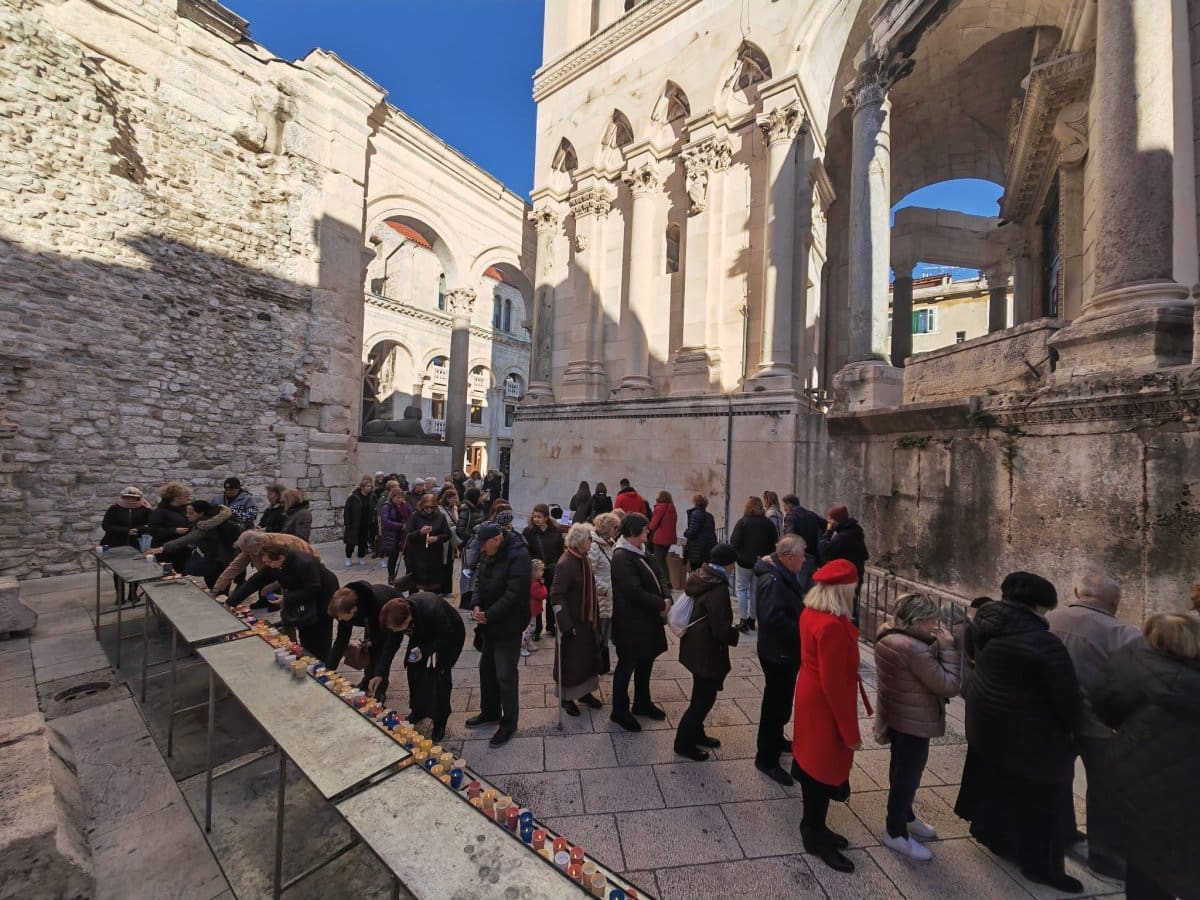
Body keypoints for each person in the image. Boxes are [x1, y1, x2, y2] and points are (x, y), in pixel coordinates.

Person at [954, 572, 1083, 893]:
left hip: (987, 720)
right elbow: (1067, 697)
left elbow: (972, 659)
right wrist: (1074, 732)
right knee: (1044, 799)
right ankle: (1041, 868)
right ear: (1039, 605)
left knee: (997, 781)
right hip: (1029, 733)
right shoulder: (1043, 643)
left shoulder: (983, 621)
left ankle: (994, 835)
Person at [1094, 612, 1200, 900]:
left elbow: (1104, 708)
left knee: (1143, 865)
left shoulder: (1127, 664)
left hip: (1132, 770)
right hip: (1187, 788)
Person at [1046, 574, 1145, 879]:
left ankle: (1061, 834)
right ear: (1115, 602)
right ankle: (1103, 857)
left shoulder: (1049, 619)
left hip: (1053, 719)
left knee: (1057, 779)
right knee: (1104, 790)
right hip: (1100, 725)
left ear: (1077, 591)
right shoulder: (1124, 633)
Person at [873, 592, 962, 861]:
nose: (934, 626)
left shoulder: (888, 633)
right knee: (907, 775)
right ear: (915, 621)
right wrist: (947, 648)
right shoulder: (914, 649)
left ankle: (906, 816)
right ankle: (895, 831)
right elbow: (949, 684)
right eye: (930, 621)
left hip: (898, 713)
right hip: (913, 720)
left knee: (901, 769)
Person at [791, 559, 863, 873]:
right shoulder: (832, 625)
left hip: (809, 692)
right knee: (821, 768)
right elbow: (834, 684)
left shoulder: (812, 612)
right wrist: (850, 733)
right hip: (824, 702)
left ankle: (816, 828)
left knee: (811, 761)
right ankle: (814, 833)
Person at [466, 523, 532, 747]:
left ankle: (509, 723)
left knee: (505, 674)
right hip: (489, 623)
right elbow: (479, 581)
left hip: (508, 624)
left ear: (496, 540)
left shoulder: (519, 556)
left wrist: (489, 614)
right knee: (486, 668)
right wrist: (475, 604)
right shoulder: (488, 552)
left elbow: (515, 594)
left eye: (484, 545)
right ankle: (490, 711)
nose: (482, 550)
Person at [752, 534, 808, 786]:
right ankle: (766, 758)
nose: (804, 560)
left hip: (783, 652)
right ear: (788, 557)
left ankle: (775, 740)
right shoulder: (774, 580)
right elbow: (772, 619)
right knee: (774, 705)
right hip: (778, 653)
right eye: (801, 556)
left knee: (781, 702)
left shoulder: (782, 573)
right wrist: (804, 627)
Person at [675, 543, 739, 760]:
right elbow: (720, 628)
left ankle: (696, 733)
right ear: (728, 564)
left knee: (700, 694)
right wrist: (734, 634)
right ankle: (683, 743)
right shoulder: (718, 587)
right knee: (703, 700)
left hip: (695, 646)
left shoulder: (702, 575)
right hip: (706, 650)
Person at [609, 513, 672, 732]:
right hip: (630, 622)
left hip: (647, 620)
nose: (648, 532)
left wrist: (667, 596)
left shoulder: (642, 551)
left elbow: (660, 575)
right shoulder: (622, 556)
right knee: (627, 665)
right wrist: (660, 605)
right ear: (634, 532)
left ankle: (642, 702)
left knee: (646, 661)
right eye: (645, 529)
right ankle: (619, 710)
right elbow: (633, 592)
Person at [228, 539, 337, 658]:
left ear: (281, 557)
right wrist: (230, 602)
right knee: (304, 626)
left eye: (269, 562)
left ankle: (324, 664)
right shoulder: (275, 563)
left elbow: (313, 589)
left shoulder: (303, 562)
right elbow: (254, 582)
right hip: (303, 594)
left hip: (323, 595)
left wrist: (286, 598)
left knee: (319, 630)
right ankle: (308, 657)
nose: (267, 565)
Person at [386, 592, 467, 742]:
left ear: (408, 619)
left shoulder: (432, 608)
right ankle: (418, 710)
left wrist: (425, 651)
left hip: (449, 636)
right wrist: (380, 672)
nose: (396, 632)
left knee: (439, 677)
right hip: (423, 635)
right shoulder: (397, 612)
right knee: (414, 671)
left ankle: (440, 721)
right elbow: (391, 643)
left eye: (398, 629)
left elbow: (446, 635)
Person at [550, 524, 604, 715]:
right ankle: (566, 698)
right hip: (573, 621)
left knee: (587, 660)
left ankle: (585, 693)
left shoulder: (583, 558)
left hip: (586, 620)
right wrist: (566, 625)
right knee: (570, 662)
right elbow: (556, 595)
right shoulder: (566, 563)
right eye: (588, 539)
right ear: (578, 542)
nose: (591, 541)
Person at [327, 580, 401, 701]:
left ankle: (379, 690)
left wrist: (379, 672)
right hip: (371, 621)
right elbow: (341, 640)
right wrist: (328, 670)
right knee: (369, 651)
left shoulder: (378, 605)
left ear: (353, 610)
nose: (339, 619)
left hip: (393, 616)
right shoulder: (345, 607)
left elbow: (389, 643)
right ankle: (367, 682)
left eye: (341, 617)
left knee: (380, 654)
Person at [148, 500, 240, 588]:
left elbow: (188, 538)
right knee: (216, 582)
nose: (187, 515)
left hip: (220, 559)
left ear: (201, 513)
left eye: (191, 513)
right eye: (187, 512)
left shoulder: (206, 525)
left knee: (217, 584)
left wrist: (162, 548)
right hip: (221, 557)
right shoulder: (213, 518)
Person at [210, 529, 317, 600]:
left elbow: (291, 572)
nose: (248, 554)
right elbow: (235, 566)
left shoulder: (281, 545)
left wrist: (274, 585)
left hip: (306, 572)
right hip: (282, 574)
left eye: (249, 552)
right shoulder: (251, 548)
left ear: (259, 544)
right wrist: (217, 589)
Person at [729, 496, 777, 633]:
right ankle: (752, 619)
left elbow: (734, 541)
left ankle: (743, 620)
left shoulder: (743, 522)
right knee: (755, 590)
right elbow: (775, 543)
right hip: (761, 562)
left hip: (743, 561)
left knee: (742, 589)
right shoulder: (768, 524)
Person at [818, 505, 869, 621]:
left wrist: (828, 532)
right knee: (849, 609)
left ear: (837, 520)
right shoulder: (854, 532)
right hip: (853, 578)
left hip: (845, 580)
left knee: (843, 612)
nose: (828, 521)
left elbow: (824, 550)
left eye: (830, 519)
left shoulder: (844, 536)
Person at [523, 504, 565, 641]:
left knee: (551, 598)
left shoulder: (556, 532)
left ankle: (551, 626)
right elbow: (526, 552)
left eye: (539, 517)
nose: (536, 519)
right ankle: (536, 629)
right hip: (535, 571)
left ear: (546, 518)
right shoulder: (528, 532)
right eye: (534, 516)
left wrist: (557, 566)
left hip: (552, 569)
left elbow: (560, 551)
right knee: (536, 599)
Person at [587, 512, 619, 673]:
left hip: (609, 597)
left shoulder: (609, 543)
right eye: (615, 527)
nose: (617, 531)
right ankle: (595, 666)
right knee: (598, 635)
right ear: (607, 529)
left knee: (605, 635)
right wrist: (605, 589)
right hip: (601, 598)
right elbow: (589, 574)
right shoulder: (594, 546)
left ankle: (602, 665)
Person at [404, 493, 452, 593]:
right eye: (426, 507)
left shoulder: (440, 516)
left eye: (432, 507)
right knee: (414, 582)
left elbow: (447, 534)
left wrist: (436, 538)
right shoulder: (415, 516)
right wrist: (420, 532)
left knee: (433, 584)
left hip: (434, 555)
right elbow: (408, 534)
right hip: (417, 554)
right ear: (422, 506)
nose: (429, 509)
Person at [782, 494, 824, 591]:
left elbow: (790, 537)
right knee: (811, 592)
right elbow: (826, 526)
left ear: (789, 505)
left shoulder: (791, 517)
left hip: (799, 558)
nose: (784, 509)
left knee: (797, 590)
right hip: (813, 558)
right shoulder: (812, 515)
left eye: (784, 506)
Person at [148, 481, 192, 572]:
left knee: (182, 574)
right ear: (176, 498)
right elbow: (152, 531)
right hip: (164, 550)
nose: (188, 498)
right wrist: (174, 531)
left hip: (182, 549)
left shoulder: (186, 509)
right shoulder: (160, 512)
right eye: (186, 496)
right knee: (167, 574)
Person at [379, 487, 412, 583]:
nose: (399, 500)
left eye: (401, 497)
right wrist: (399, 526)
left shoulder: (406, 505)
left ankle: (408, 576)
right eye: (397, 497)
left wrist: (408, 525)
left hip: (405, 535)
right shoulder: (387, 507)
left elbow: (411, 516)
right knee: (393, 558)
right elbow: (385, 521)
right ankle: (391, 577)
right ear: (392, 497)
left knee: (408, 557)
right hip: (393, 536)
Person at [343, 476, 375, 567]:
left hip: (365, 523)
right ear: (362, 487)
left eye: (370, 486)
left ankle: (361, 557)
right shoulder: (353, 497)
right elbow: (347, 510)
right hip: (354, 523)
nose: (369, 488)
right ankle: (348, 557)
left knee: (363, 542)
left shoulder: (372, 497)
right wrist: (347, 523)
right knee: (350, 542)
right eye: (367, 486)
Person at [682, 494, 717, 573]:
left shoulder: (695, 514)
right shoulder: (710, 516)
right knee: (705, 573)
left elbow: (692, 532)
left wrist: (685, 533)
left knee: (696, 573)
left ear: (695, 502)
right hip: (708, 549)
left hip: (697, 550)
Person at [647, 490, 678, 578]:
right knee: (663, 560)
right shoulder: (672, 509)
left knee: (658, 561)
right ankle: (667, 582)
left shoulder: (659, 508)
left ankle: (663, 582)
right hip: (669, 539)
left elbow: (652, 526)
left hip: (659, 538)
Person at [437, 486, 461, 596]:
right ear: (447, 499)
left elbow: (457, 522)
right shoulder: (440, 509)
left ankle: (448, 590)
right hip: (443, 541)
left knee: (450, 564)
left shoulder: (455, 509)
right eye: (454, 498)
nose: (456, 500)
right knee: (441, 565)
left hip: (451, 539)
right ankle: (439, 589)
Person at [522, 559, 547, 658]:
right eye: (540, 570)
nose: (543, 572)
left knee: (531, 627)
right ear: (534, 572)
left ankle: (527, 644)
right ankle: (522, 646)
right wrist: (543, 586)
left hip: (532, 610)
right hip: (531, 610)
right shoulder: (535, 585)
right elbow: (543, 594)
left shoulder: (533, 582)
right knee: (530, 629)